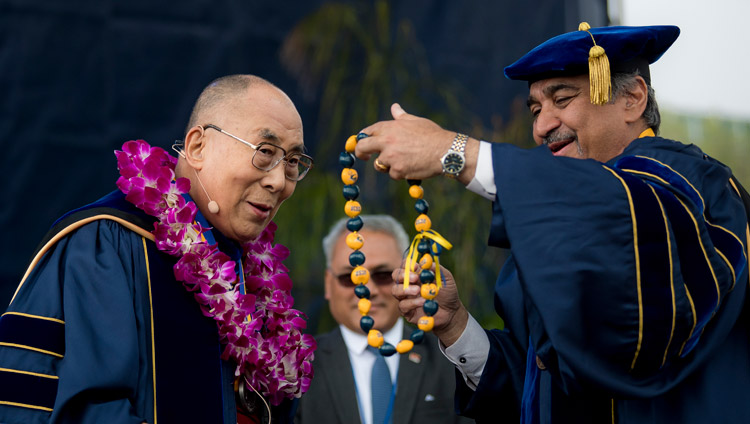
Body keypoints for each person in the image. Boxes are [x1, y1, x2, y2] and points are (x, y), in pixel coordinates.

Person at [354, 24, 750, 423]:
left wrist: (454, 152)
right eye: (536, 109)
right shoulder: (566, 221)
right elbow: (545, 391)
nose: (542, 126)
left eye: (562, 98)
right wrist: (455, 324)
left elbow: (623, 229)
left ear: (632, 98)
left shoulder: (690, 187)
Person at [0, 75, 316, 423]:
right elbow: (91, 411)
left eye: (292, 162)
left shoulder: (252, 275)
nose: (279, 181)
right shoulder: (109, 244)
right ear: (197, 147)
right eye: (265, 153)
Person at [296, 215, 472, 424]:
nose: (367, 290)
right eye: (350, 277)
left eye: (383, 275)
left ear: (409, 276)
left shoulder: (451, 361)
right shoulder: (297, 367)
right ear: (328, 283)